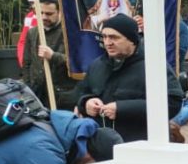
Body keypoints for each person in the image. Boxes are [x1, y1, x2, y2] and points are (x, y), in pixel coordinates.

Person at [75, 15, 182, 143]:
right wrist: (86, 103)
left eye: (114, 37)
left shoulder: (153, 65)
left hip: (140, 145)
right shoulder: (97, 65)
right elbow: (80, 93)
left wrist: (122, 109)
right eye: (104, 37)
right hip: (101, 146)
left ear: (132, 40)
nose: (108, 43)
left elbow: (172, 103)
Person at [20, 0, 76, 110]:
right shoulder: (33, 33)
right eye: (41, 13)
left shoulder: (70, 33)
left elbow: (77, 63)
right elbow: (27, 63)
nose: (44, 17)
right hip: (37, 95)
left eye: (49, 14)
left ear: (59, 12)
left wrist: (53, 56)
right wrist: (28, 86)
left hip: (62, 96)